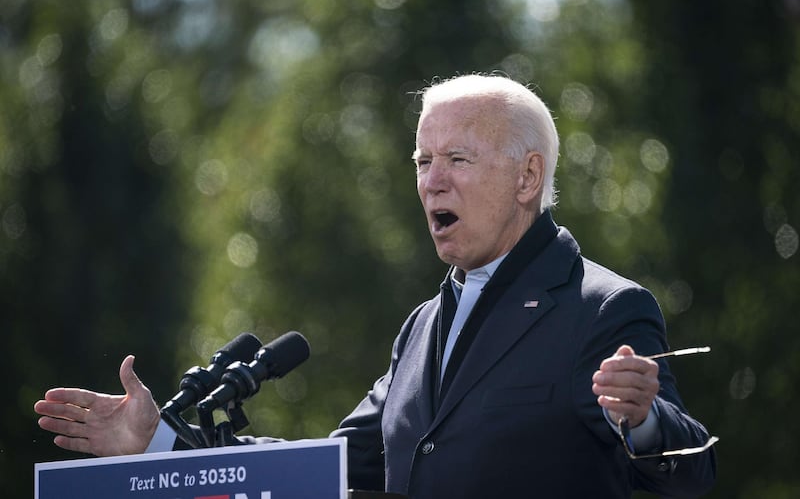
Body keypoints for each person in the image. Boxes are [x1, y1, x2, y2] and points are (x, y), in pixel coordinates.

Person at [35, 74, 716, 498]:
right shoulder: (423, 326)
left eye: (456, 159)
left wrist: (644, 419)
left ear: (528, 178)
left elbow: (694, 470)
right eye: (422, 160)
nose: (431, 181)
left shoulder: (602, 308)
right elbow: (330, 467)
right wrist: (160, 443)